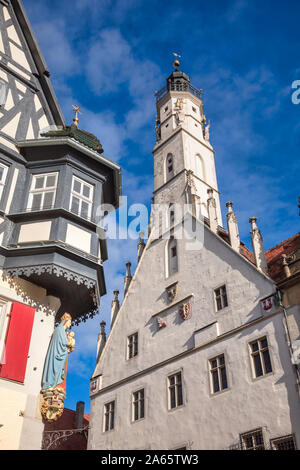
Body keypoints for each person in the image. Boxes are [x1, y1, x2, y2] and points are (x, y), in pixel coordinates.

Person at [42, 313, 74, 391]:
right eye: (69, 323)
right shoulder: (60, 330)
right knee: (53, 369)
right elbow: (64, 342)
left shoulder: (61, 330)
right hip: (56, 354)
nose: (69, 325)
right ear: (65, 321)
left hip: (59, 353)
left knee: (57, 371)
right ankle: (49, 384)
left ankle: (53, 384)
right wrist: (70, 343)